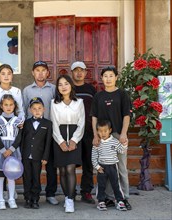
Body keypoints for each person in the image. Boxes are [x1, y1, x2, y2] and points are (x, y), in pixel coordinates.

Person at [91, 66, 132, 210]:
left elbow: (127, 115)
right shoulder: (98, 96)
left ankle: (124, 197)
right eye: (105, 76)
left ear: (116, 77)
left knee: (120, 167)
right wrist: (95, 135)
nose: (108, 78)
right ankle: (108, 197)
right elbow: (94, 117)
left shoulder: (122, 94)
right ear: (102, 78)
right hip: (102, 136)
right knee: (105, 168)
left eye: (111, 75)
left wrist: (124, 133)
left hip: (117, 136)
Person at [23, 61, 58, 205]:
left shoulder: (54, 89)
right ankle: (29, 196)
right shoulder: (26, 90)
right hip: (32, 132)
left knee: (50, 165)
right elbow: (25, 109)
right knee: (30, 170)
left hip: (49, 130)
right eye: (37, 70)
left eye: (44, 70)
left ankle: (50, 193)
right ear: (33, 72)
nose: (40, 73)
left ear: (47, 73)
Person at [50, 75, 85, 213]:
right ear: (57, 88)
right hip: (59, 136)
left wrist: (74, 140)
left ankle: (70, 199)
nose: (63, 86)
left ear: (71, 85)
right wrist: (61, 141)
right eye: (60, 84)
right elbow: (54, 123)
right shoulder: (54, 103)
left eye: (66, 83)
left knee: (70, 169)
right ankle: (66, 197)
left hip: (75, 135)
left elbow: (81, 122)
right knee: (62, 170)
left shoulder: (79, 102)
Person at [0, 94, 24, 210]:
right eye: (6, 105)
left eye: (11, 105)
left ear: (14, 106)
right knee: (0, 176)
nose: (8, 107)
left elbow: (19, 137)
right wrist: (3, 150)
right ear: (1, 106)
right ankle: (0, 199)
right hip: (1, 150)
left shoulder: (18, 120)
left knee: (11, 176)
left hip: (13, 149)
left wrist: (11, 149)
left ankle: (11, 199)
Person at [70, 61, 96, 203]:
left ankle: (86, 192)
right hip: (72, 132)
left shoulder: (91, 89)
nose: (79, 73)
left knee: (88, 163)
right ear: (71, 72)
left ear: (86, 73)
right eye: (76, 70)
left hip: (88, 132)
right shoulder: (68, 88)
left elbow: (96, 111)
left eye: (82, 70)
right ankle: (71, 191)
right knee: (71, 163)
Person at [21, 97, 52, 209]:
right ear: (30, 110)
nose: (37, 110)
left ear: (44, 109)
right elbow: (23, 140)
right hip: (26, 155)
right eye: (34, 108)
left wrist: (45, 157)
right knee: (27, 177)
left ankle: (35, 199)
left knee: (36, 177)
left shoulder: (48, 124)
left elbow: (48, 142)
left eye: (39, 108)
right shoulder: (26, 123)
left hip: (38, 156)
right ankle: (27, 198)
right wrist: (21, 154)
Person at [92, 120, 127, 211]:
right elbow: (94, 156)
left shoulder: (115, 141)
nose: (103, 133)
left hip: (113, 166)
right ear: (97, 131)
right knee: (101, 185)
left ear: (110, 130)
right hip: (102, 167)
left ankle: (120, 201)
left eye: (105, 131)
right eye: (100, 131)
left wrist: (124, 145)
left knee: (116, 184)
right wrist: (97, 167)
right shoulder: (97, 144)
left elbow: (121, 151)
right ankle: (101, 201)